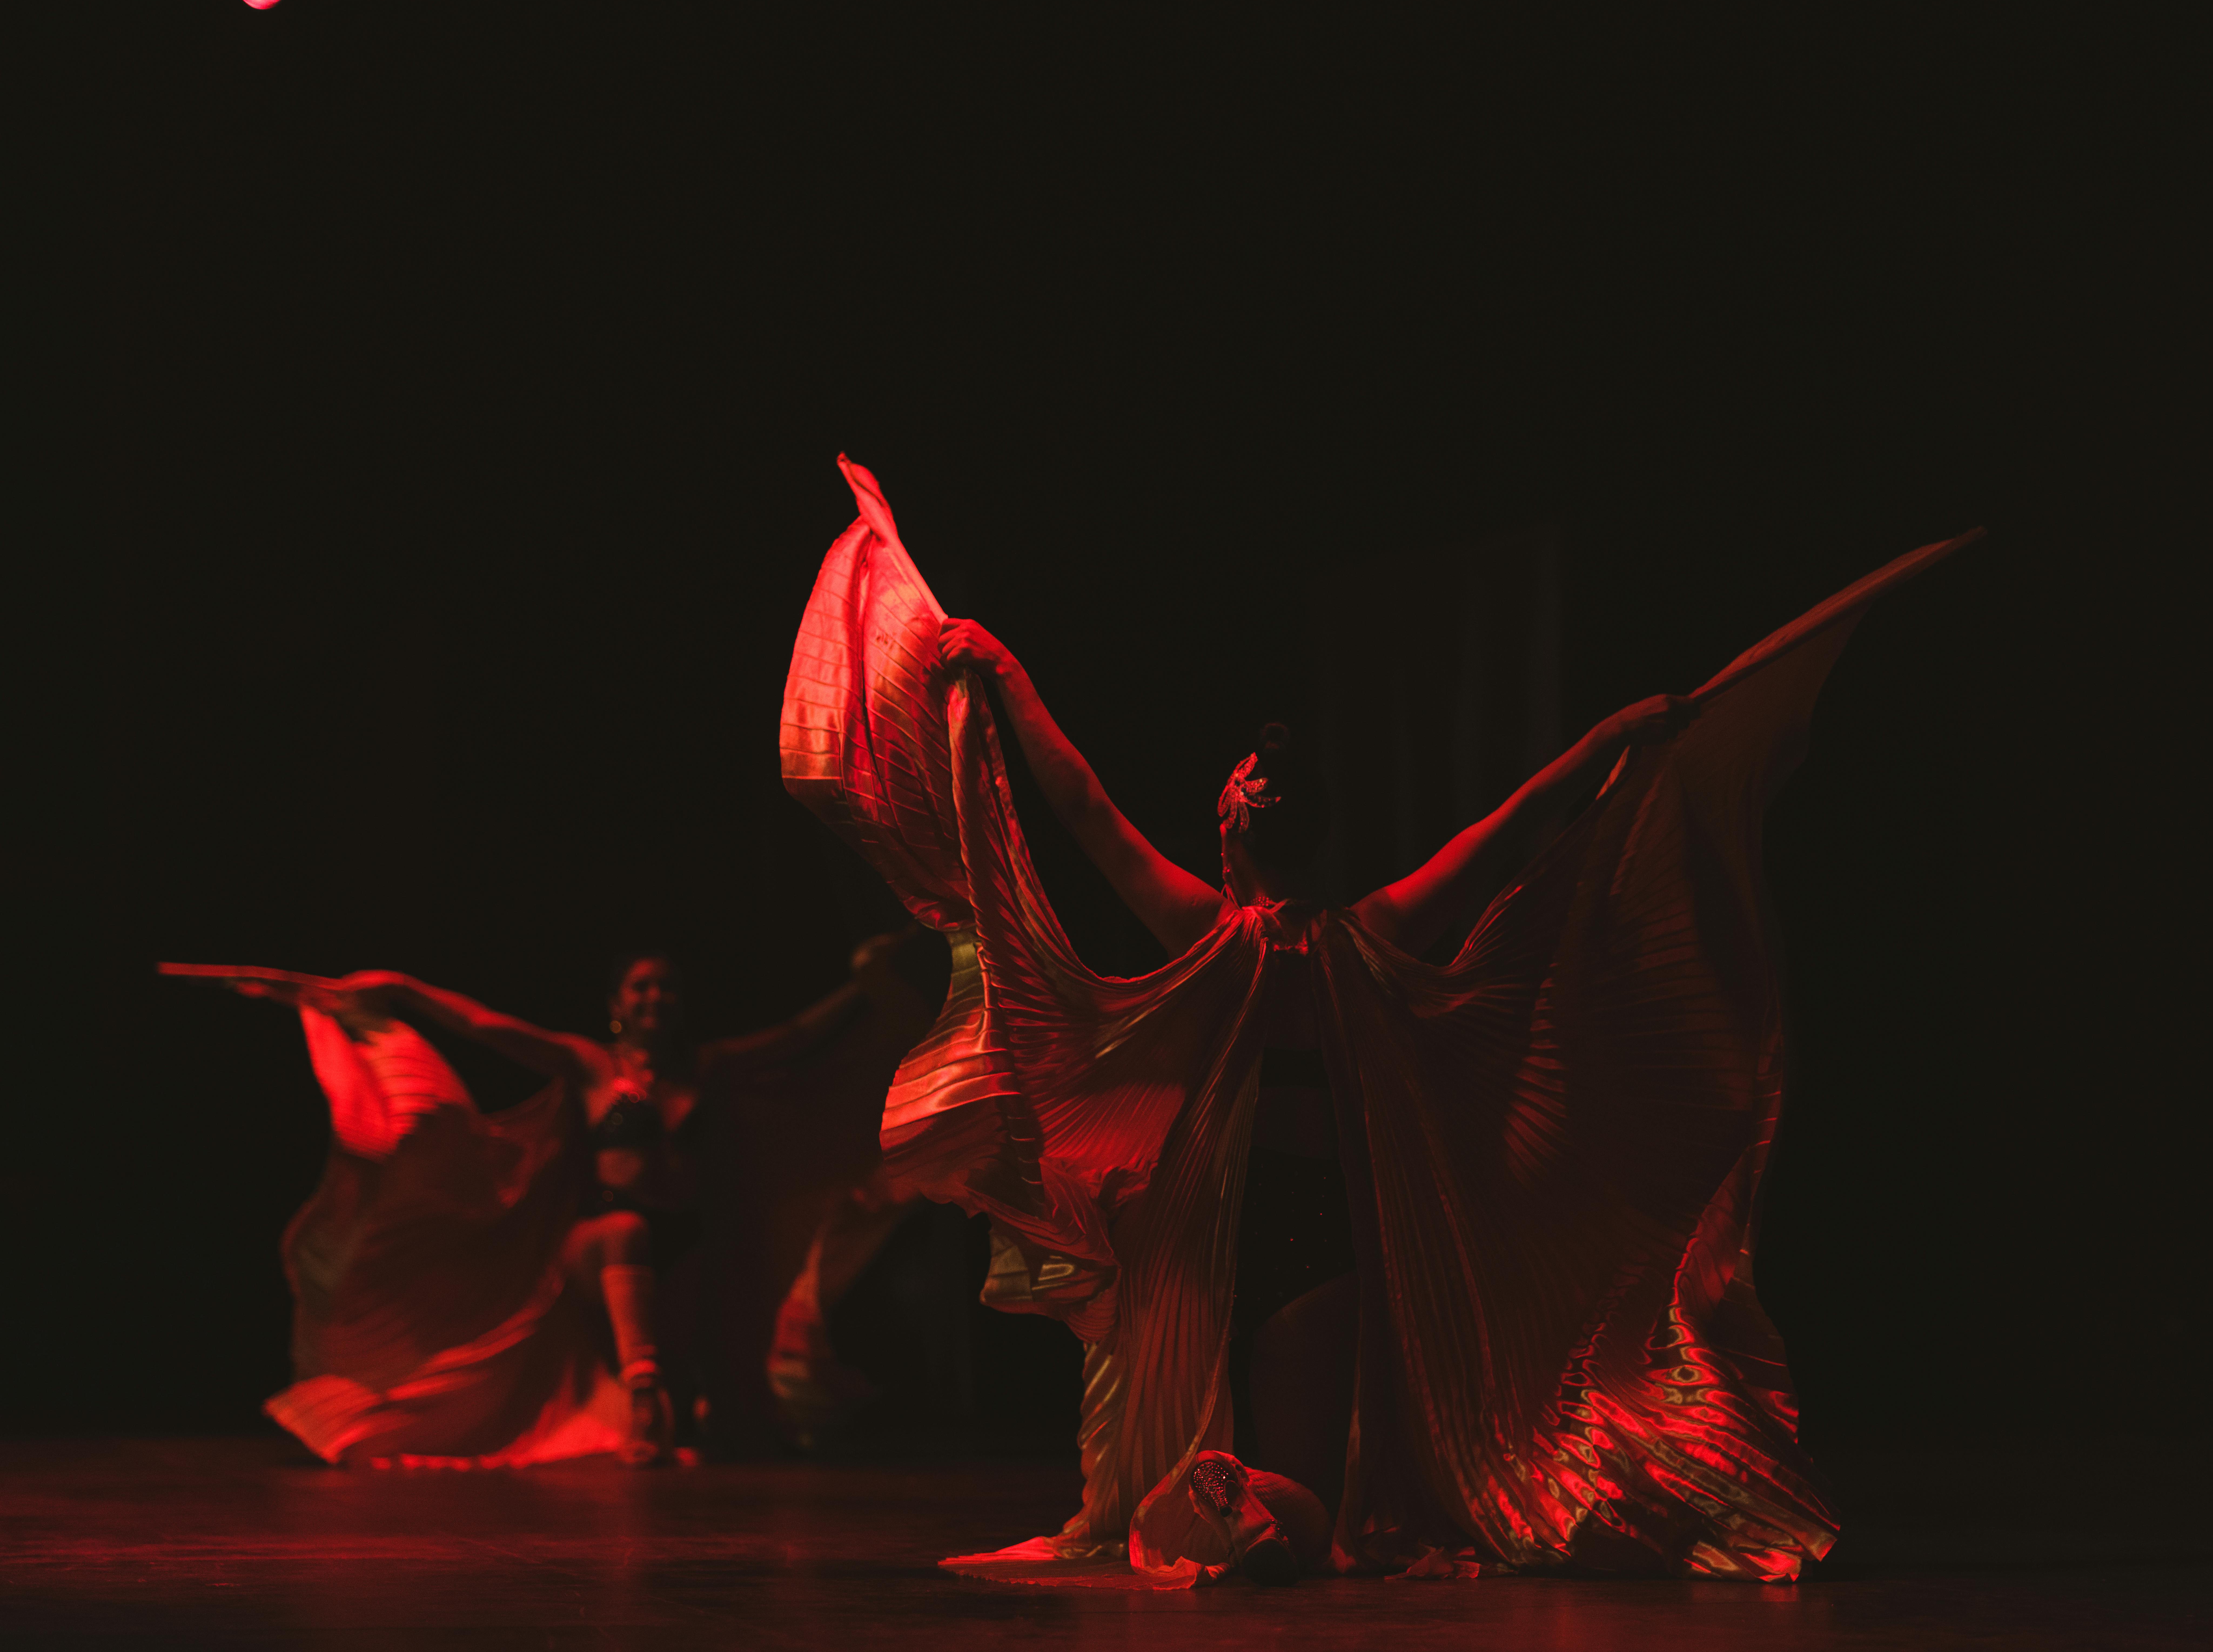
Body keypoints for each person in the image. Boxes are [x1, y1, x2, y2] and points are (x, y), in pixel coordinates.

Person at [780, 454, 1980, 1584]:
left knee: (1196, 1489)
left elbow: (1083, 806)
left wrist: (1005, 679)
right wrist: (1616, 738)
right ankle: (1234, 1511)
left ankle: (1215, 1510)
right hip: (1289, 1242)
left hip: (1224, 1245)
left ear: (1232, 829)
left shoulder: (1211, 935)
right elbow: (1515, 822)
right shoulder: (1373, 932)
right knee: (1290, 1492)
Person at [162, 934, 919, 1468]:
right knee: (626, 1232)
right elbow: (489, 1027)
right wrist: (405, 991)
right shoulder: (589, 1067)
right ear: (618, 1004)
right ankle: (650, 1399)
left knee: (718, 1409)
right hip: (600, 1241)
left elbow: (793, 1038)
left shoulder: (710, 1067)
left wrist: (864, 986)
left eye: (668, 988)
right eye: (642, 987)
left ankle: (666, 1402)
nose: (657, 998)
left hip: (687, 1241)